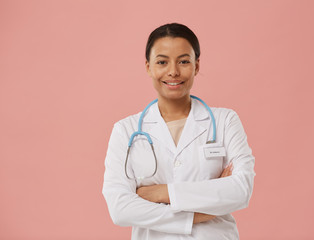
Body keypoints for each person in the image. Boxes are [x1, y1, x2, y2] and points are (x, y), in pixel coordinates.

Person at [102, 23, 255, 240]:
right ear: (148, 67)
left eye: (183, 61)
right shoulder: (125, 130)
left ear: (197, 65)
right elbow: (120, 208)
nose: (173, 71)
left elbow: (241, 190)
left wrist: (161, 193)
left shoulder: (225, 121)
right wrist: (200, 213)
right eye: (162, 62)